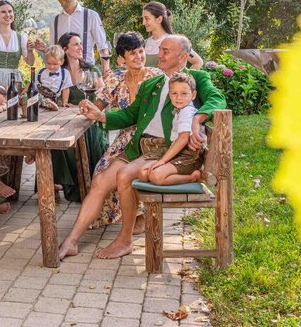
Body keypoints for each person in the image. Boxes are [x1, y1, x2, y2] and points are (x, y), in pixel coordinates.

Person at [60, 35, 226, 260]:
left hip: (167, 150)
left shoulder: (196, 78)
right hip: (140, 146)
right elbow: (130, 115)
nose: (159, 55)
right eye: (160, 50)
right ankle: (71, 241)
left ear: (183, 57)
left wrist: (197, 119)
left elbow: (218, 100)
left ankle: (124, 240)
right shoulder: (152, 83)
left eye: (166, 51)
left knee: (125, 176)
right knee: (100, 181)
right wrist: (101, 115)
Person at [86, 32, 162, 229]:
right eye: (132, 53)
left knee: (134, 172)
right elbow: (99, 106)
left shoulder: (156, 76)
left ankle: (139, 215)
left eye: (141, 51)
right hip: (125, 137)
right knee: (101, 169)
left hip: (151, 137)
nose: (139, 57)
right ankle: (115, 214)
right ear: (121, 59)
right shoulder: (116, 78)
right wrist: (89, 108)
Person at [117, 71, 207, 186]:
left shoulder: (186, 111)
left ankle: (192, 177)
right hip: (178, 152)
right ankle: (168, 171)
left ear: (193, 95)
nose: (178, 97)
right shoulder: (179, 110)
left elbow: (183, 139)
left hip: (189, 157)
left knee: (156, 176)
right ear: (169, 95)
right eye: (174, 93)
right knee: (143, 173)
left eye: (184, 93)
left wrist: (162, 161)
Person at [49, 33, 107, 202]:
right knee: (56, 139)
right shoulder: (57, 71)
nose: (80, 47)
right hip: (64, 118)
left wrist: (93, 108)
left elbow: (103, 95)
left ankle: (89, 184)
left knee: (92, 135)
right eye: (76, 44)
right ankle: (64, 183)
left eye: (81, 44)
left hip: (88, 117)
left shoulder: (91, 69)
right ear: (65, 49)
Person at [42, 0, 108, 67]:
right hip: (62, 74)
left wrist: (106, 71)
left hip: (86, 72)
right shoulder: (55, 21)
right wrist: (43, 48)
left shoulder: (91, 16)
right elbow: (54, 51)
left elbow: (103, 47)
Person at [0, 0, 36, 88]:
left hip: (15, 80)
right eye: (3, 12)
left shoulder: (21, 37)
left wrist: (30, 51)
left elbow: (30, 62)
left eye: (10, 11)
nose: (8, 15)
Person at [142, 1, 204, 69]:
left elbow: (198, 62)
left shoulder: (175, 43)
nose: (143, 23)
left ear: (159, 19)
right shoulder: (144, 44)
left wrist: (185, 78)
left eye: (147, 18)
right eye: (143, 19)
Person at [35, 45, 73, 110]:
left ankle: (50, 104)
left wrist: (65, 102)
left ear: (62, 62)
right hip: (39, 96)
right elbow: (31, 83)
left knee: (49, 102)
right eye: (48, 63)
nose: (51, 66)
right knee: (36, 99)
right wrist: (23, 93)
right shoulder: (40, 72)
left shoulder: (65, 73)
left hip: (54, 99)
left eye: (55, 64)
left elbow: (66, 89)